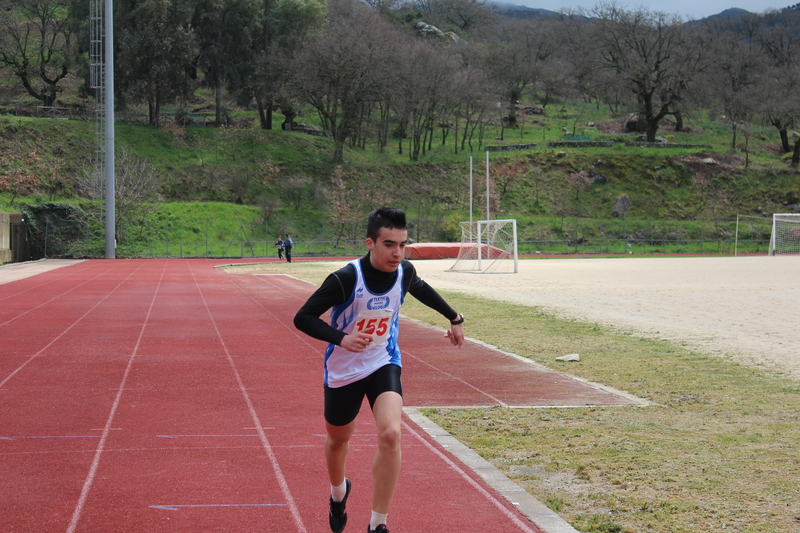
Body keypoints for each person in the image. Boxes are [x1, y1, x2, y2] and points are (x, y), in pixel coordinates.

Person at [294, 207, 465, 533]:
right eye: (389, 244)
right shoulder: (346, 279)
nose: (397, 252)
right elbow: (303, 317)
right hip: (343, 370)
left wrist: (454, 318)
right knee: (337, 441)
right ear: (370, 243)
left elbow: (421, 288)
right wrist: (342, 338)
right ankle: (338, 492)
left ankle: (378, 524)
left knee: (391, 433)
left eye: (402, 244)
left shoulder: (404, 271)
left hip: (383, 361)